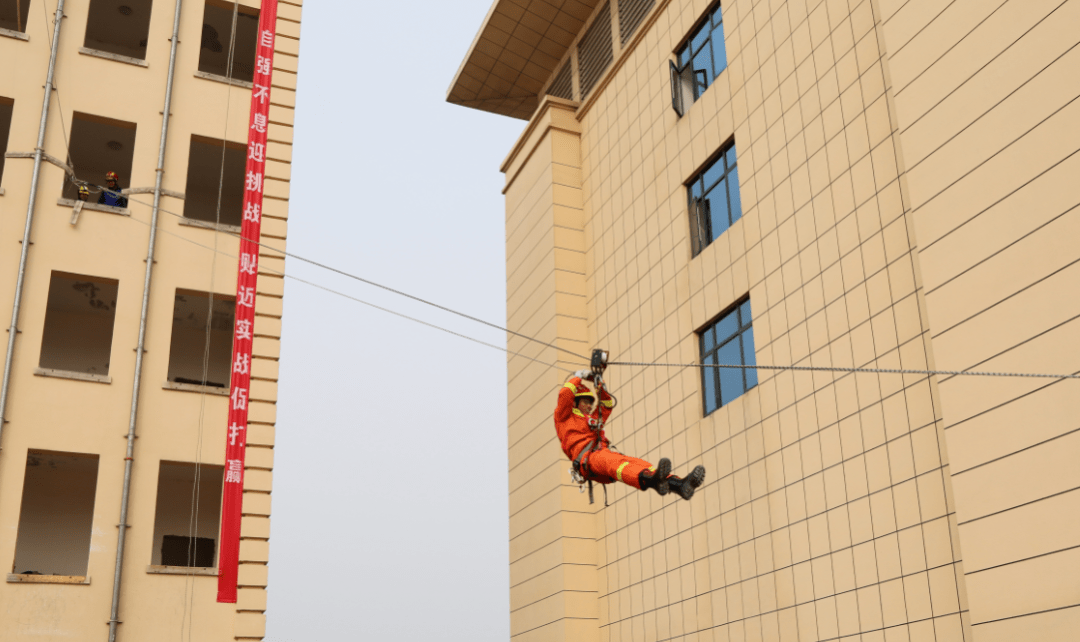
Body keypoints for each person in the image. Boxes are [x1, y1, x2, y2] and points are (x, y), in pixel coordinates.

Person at [555, 369, 706, 500]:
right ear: (574, 403)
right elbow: (565, 393)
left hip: (600, 454)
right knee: (615, 463)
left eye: (590, 402)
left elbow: (606, 404)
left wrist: (598, 383)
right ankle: (651, 480)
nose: (589, 406)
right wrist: (578, 377)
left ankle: (679, 484)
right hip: (588, 460)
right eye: (585, 402)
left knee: (637, 463)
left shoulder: (592, 419)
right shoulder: (564, 416)